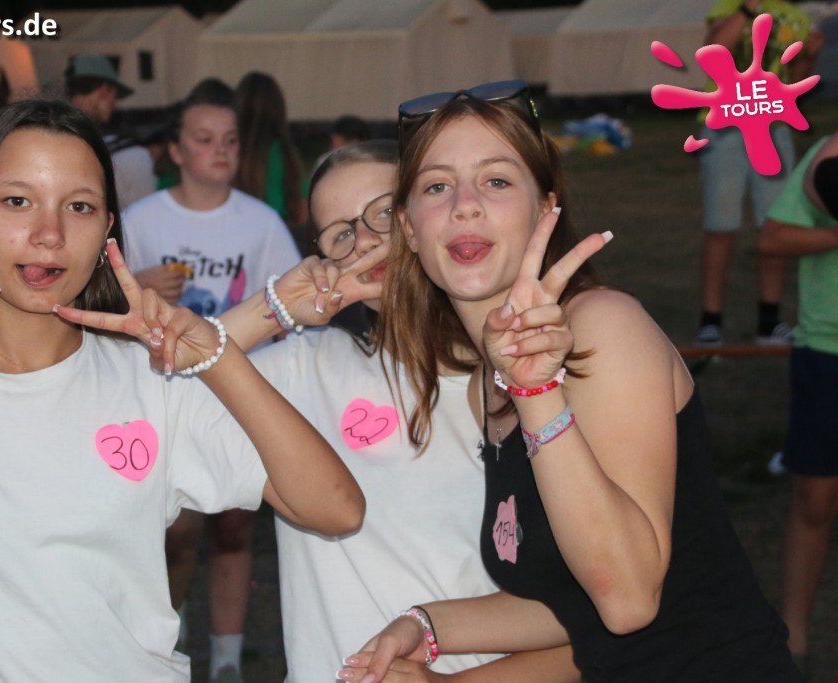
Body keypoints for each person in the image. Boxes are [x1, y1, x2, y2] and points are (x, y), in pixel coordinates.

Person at [0, 98, 364, 681]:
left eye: (79, 206)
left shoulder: (147, 379)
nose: (48, 234)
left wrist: (217, 357)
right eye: (17, 201)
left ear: (106, 230)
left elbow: (334, 507)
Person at [340, 80, 803, 682]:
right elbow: (575, 604)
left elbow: (629, 600)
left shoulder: (602, 328)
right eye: (436, 186)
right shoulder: (486, 387)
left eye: (497, 181)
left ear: (545, 208)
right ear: (408, 229)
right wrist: (426, 627)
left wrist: (537, 392)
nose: (465, 205)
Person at [210, 140, 579, 682]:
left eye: (381, 212)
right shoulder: (305, 370)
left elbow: (593, 622)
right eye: (340, 234)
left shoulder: (531, 375)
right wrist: (274, 309)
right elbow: (154, 398)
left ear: (423, 214)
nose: (363, 240)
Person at [121, 80, 301, 683]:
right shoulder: (142, 219)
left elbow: (291, 307)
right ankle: (164, 651)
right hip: (165, 397)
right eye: (203, 139)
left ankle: (226, 662)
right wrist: (139, 285)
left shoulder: (261, 221)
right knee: (174, 534)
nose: (219, 150)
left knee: (233, 527)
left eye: (229, 139)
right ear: (175, 150)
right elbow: (102, 309)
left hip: (241, 398)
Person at [694, 0, 821, 346]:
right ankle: (710, 322)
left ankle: (769, 321)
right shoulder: (732, 6)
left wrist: (809, 56)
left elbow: (794, 84)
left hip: (773, 130)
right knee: (720, 226)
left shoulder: (795, 17)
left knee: (775, 227)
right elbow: (712, 52)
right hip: (724, 128)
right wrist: (747, 11)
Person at [759, 132, 838, 679]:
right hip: (827, 351)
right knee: (815, 498)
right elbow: (773, 238)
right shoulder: (829, 156)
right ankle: (795, 639)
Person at [233, 71, 311, 254]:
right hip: (279, 242)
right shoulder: (284, 153)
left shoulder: (228, 150)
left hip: (233, 239)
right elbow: (302, 211)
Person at [65, 54, 156, 209]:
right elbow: (142, 216)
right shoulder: (132, 156)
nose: (114, 103)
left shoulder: (53, 139)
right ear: (104, 90)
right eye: (115, 95)